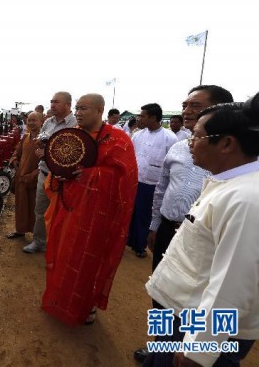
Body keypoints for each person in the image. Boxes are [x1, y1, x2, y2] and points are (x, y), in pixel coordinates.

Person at [143, 93, 259, 367]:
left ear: (227, 144)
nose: (190, 143)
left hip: (197, 325)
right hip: (183, 309)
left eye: (197, 136)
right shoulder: (228, 182)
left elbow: (232, 285)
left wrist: (199, 349)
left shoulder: (246, 199)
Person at [133, 85, 235, 363]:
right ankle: (161, 348)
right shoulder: (178, 148)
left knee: (197, 302)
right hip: (169, 229)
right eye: (185, 105)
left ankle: (191, 351)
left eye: (195, 106)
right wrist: (155, 224)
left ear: (221, 111)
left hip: (205, 239)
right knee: (162, 296)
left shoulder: (231, 156)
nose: (186, 111)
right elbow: (161, 188)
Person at [41, 93, 138, 326]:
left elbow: (124, 177)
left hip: (97, 215)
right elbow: (60, 164)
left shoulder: (118, 139)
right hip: (68, 208)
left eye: (83, 108)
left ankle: (86, 306)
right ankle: (59, 299)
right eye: (77, 108)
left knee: (88, 260)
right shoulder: (73, 136)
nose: (78, 113)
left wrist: (89, 175)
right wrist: (60, 173)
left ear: (99, 110)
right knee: (64, 254)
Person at [23, 92, 77, 254]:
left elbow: (72, 152)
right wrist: (40, 143)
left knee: (63, 213)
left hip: (65, 178)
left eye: (57, 102)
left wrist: (47, 153)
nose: (52, 105)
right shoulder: (48, 121)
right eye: (51, 101)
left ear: (68, 105)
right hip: (45, 173)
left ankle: (60, 246)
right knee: (40, 210)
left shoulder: (75, 125)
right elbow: (42, 136)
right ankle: (39, 242)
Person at [127, 103, 177, 258]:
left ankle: (140, 245)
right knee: (132, 213)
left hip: (153, 185)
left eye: (142, 116)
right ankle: (129, 241)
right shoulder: (137, 135)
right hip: (135, 182)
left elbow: (172, 164)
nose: (138, 118)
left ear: (153, 117)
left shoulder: (169, 137)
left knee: (145, 216)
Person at [6, 112, 44, 239]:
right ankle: (20, 230)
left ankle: (37, 236)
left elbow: (46, 162)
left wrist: (34, 174)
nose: (31, 123)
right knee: (21, 206)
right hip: (21, 178)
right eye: (29, 120)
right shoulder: (25, 137)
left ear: (41, 122)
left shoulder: (44, 140)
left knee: (35, 207)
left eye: (34, 120)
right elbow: (17, 152)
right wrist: (14, 160)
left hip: (35, 179)